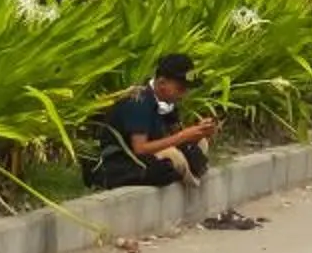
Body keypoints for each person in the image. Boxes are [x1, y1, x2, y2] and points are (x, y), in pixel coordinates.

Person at [86, 54, 260, 229]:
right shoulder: (138, 103)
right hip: (123, 161)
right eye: (180, 88)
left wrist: (200, 132)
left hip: (150, 153)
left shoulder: (166, 104)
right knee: (172, 159)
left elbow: (172, 133)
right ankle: (197, 192)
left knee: (197, 146)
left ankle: (196, 186)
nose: (183, 94)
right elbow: (140, 148)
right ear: (162, 83)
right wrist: (183, 136)